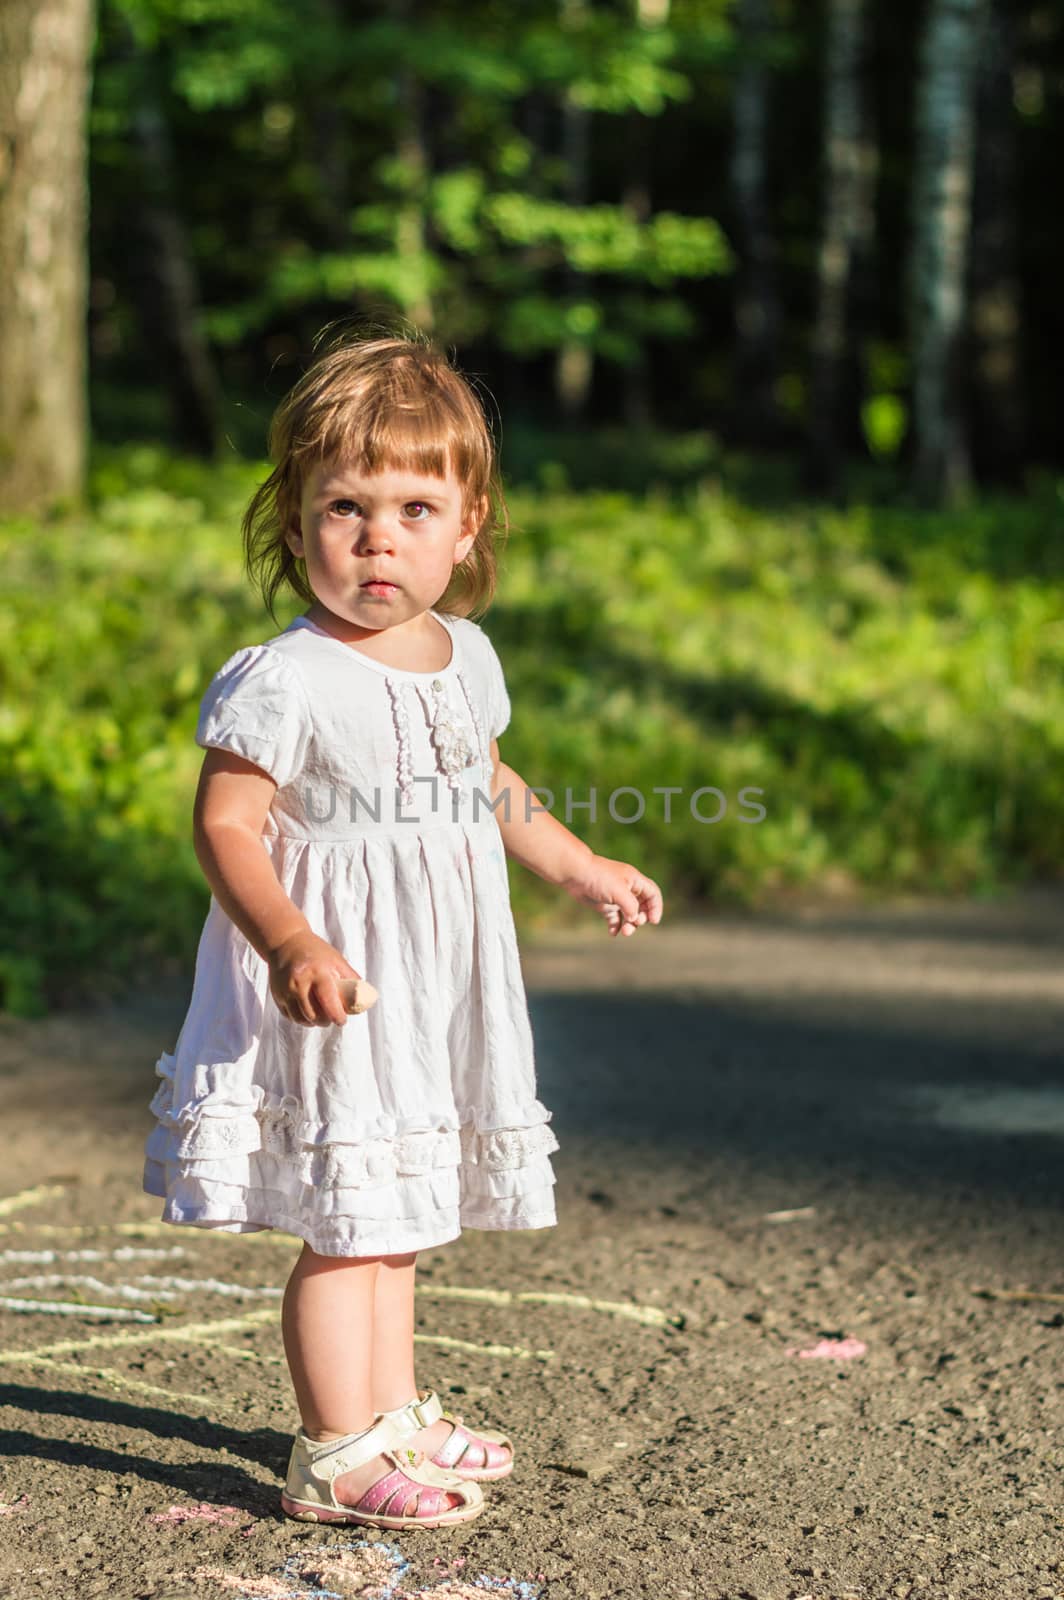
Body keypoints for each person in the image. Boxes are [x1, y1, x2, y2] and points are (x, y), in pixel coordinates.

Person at [142, 329, 664, 1531]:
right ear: (293, 523)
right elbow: (226, 825)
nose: (379, 538)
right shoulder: (285, 676)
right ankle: (333, 1451)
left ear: (467, 525)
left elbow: (487, 784)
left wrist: (581, 863)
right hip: (338, 978)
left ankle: (390, 1411)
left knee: (402, 1204)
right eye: (345, 507)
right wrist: (289, 944)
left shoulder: (463, 656)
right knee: (345, 1217)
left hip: (434, 980)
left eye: (414, 507)